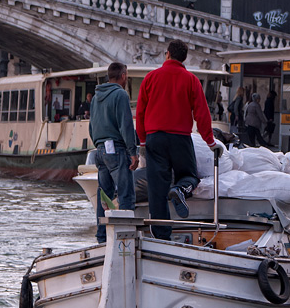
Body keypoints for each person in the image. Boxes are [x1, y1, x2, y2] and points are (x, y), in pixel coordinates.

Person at [135, 39, 219, 240]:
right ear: (185, 58)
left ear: (167, 54)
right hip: (180, 138)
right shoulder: (191, 80)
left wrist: (143, 142)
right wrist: (210, 142)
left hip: (155, 138)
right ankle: (180, 189)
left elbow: (140, 112)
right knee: (190, 176)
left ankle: (162, 235)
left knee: (157, 187)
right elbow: (202, 113)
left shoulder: (150, 78)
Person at [89, 62, 139, 244]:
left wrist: (98, 143)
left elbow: (91, 127)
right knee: (126, 195)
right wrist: (133, 152)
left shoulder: (95, 98)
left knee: (104, 197)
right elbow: (126, 125)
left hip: (100, 150)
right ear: (123, 75)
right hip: (117, 150)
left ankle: (102, 239)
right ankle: (124, 239)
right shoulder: (120, 95)